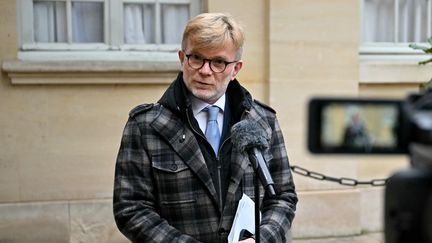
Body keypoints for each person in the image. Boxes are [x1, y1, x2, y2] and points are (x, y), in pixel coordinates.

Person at [113, 12, 297, 243]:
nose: (205, 71)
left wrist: (260, 240)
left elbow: (283, 197)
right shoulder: (146, 125)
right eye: (196, 58)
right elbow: (131, 208)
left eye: (219, 62)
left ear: (236, 69)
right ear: (182, 58)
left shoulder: (262, 121)